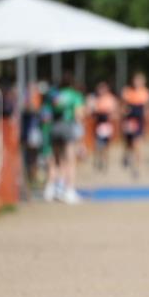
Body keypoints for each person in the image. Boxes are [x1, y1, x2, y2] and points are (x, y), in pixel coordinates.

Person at [41, 72, 86, 204]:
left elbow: (46, 112)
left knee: (56, 159)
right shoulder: (75, 95)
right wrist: (80, 136)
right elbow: (79, 115)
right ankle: (69, 190)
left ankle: (51, 189)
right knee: (70, 160)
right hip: (68, 127)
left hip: (53, 127)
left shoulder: (55, 95)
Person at [121, 72, 149, 179]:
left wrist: (147, 121)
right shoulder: (127, 92)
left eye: (139, 80)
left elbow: (148, 109)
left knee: (137, 145)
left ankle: (137, 169)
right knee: (128, 143)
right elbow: (123, 107)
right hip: (129, 121)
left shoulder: (145, 93)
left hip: (139, 122)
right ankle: (126, 156)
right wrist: (125, 112)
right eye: (135, 80)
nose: (137, 82)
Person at [90, 81, 119, 172]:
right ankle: (97, 161)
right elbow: (91, 112)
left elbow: (115, 113)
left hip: (107, 125)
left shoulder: (111, 99)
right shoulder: (94, 98)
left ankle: (105, 163)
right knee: (97, 145)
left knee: (106, 146)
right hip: (97, 125)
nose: (101, 90)